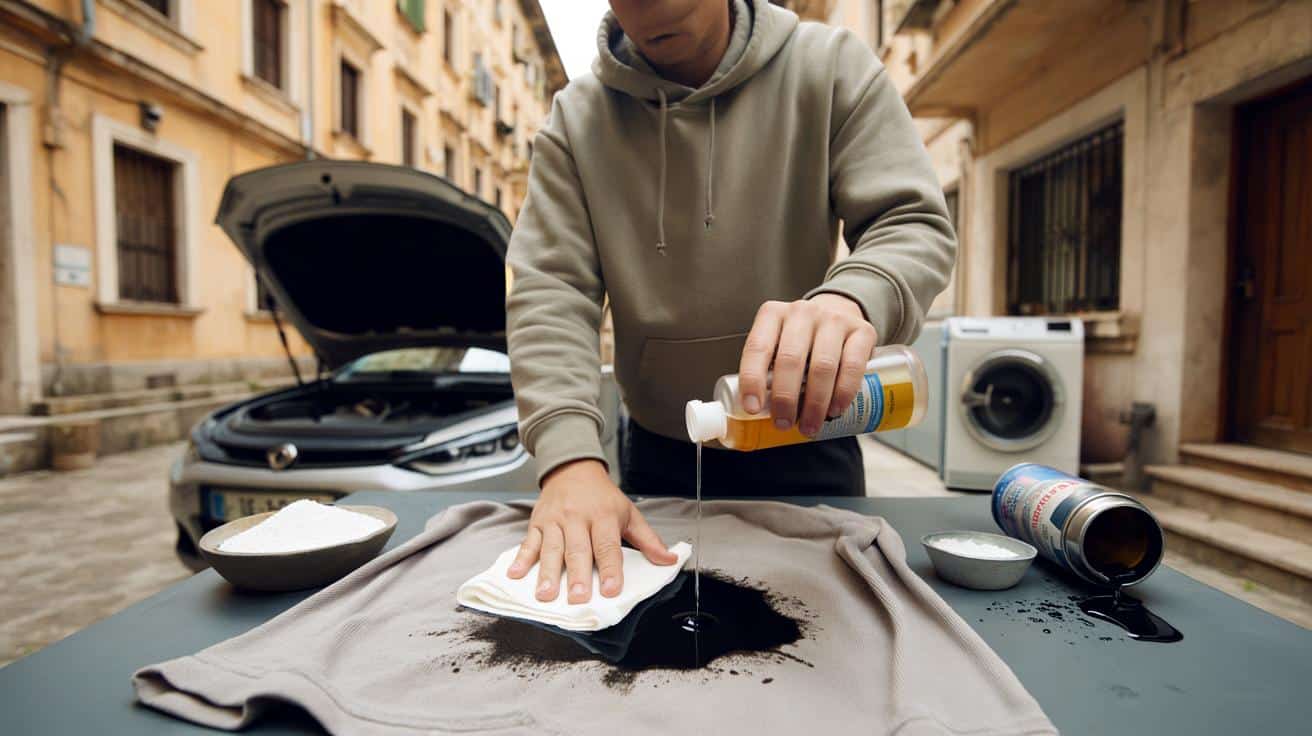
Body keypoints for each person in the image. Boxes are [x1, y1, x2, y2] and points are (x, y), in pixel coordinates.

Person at [503, 0, 955, 605]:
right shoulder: (575, 121)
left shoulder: (830, 67)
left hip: (811, 435)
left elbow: (912, 221)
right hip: (663, 450)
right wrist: (569, 461)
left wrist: (853, 298)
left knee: (831, 645)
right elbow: (551, 290)